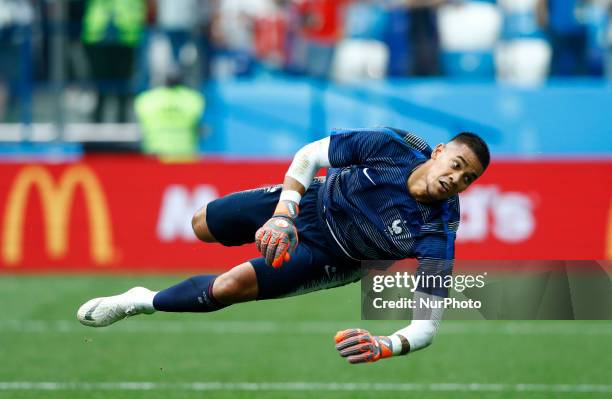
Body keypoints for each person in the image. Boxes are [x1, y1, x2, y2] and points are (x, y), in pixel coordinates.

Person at [77, 127, 490, 364]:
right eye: (456, 165)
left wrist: (386, 345)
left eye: (468, 178)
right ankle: (272, 217)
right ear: (438, 153)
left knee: (229, 287)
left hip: (333, 258)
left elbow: (426, 326)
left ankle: (139, 301)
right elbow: (311, 154)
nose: (456, 179)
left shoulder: (438, 230)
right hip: (310, 201)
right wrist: (284, 212)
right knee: (201, 224)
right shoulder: (392, 145)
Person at [134, 69, 205, 157]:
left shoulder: (146, 99)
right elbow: (201, 127)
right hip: (184, 153)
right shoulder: (193, 98)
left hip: (155, 153)